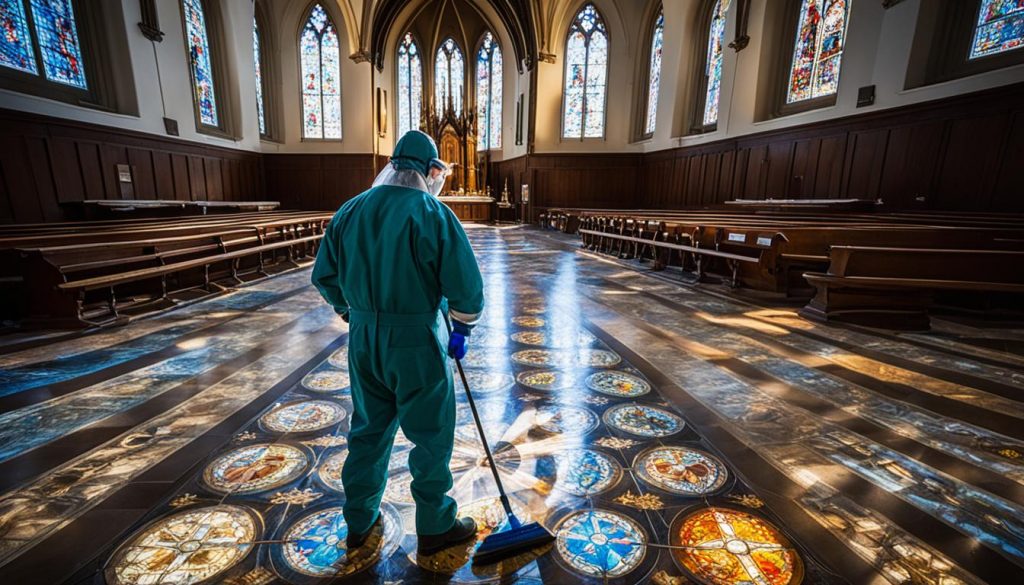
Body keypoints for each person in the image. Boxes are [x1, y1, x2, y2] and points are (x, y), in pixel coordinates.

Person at [311, 130, 484, 556]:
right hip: (418, 340)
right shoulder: (433, 213)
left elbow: (324, 276)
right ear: (428, 170)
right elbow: (466, 287)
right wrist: (461, 329)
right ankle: (434, 523)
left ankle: (359, 519)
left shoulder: (350, 210)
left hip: (364, 341)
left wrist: (351, 312)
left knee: (368, 431)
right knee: (430, 434)